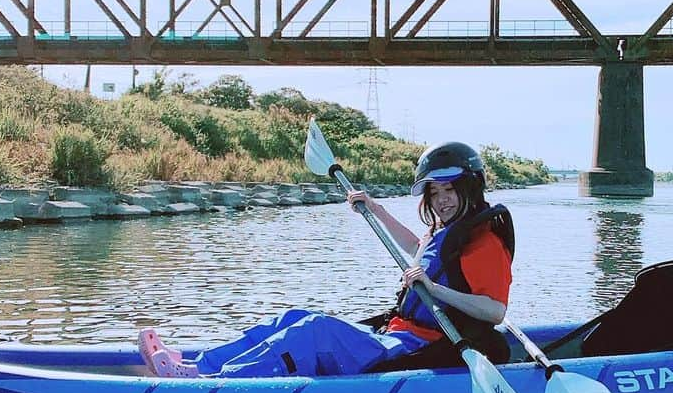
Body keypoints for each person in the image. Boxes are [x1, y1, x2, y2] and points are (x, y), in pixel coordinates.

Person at [138, 141, 514, 379]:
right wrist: (376, 209)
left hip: (420, 346)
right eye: (434, 193)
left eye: (450, 190)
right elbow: (424, 251)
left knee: (315, 329)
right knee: (292, 318)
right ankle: (198, 363)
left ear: (471, 188)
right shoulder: (446, 231)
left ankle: (212, 381)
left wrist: (432, 290)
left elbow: (494, 311)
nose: (442, 200)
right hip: (396, 332)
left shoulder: (485, 243)